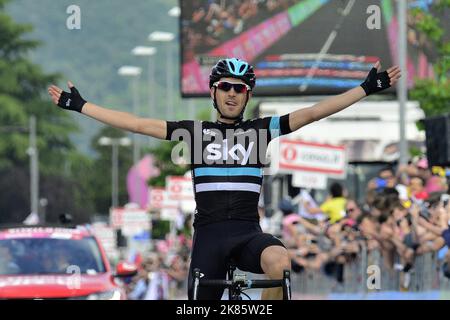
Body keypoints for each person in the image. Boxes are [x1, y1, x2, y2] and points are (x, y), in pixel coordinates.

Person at [48, 57, 401, 300]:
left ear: (248, 95)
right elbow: (137, 123)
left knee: (280, 260)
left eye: (240, 89)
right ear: (214, 92)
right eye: (226, 87)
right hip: (209, 237)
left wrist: (365, 88)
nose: (233, 93)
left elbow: (313, 112)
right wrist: (81, 105)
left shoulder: (262, 130)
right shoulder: (193, 133)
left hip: (248, 232)